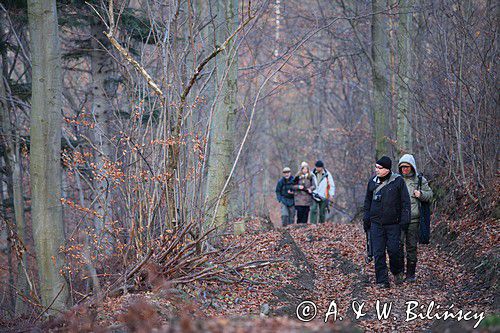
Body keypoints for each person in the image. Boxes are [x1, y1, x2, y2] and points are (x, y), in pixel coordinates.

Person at [363, 156, 410, 288]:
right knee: (378, 252)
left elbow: (405, 202)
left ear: (387, 169)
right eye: (376, 167)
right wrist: (366, 218)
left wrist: (404, 221)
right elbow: (367, 202)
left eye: (380, 168)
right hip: (376, 224)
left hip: (393, 223)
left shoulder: (398, 181)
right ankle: (382, 280)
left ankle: (397, 271)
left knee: (394, 250)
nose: (377, 170)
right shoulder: (372, 182)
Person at [398, 154, 433, 282]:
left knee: (412, 246)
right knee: (398, 246)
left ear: (412, 166)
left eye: (406, 167)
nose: (404, 169)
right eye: (402, 167)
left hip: (414, 219)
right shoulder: (396, 180)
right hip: (399, 219)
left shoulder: (420, 180)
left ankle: (411, 274)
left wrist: (421, 194)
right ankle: (400, 273)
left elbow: (430, 195)